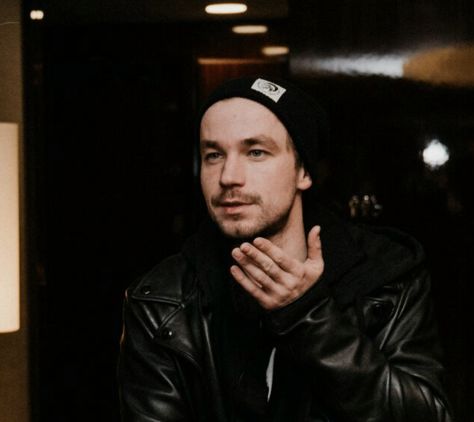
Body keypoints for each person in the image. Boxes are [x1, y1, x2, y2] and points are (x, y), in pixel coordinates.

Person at [117, 76, 453, 421]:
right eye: (213, 155)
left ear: (303, 171)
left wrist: (309, 317)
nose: (228, 176)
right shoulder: (161, 300)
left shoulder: (387, 276)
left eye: (256, 152)